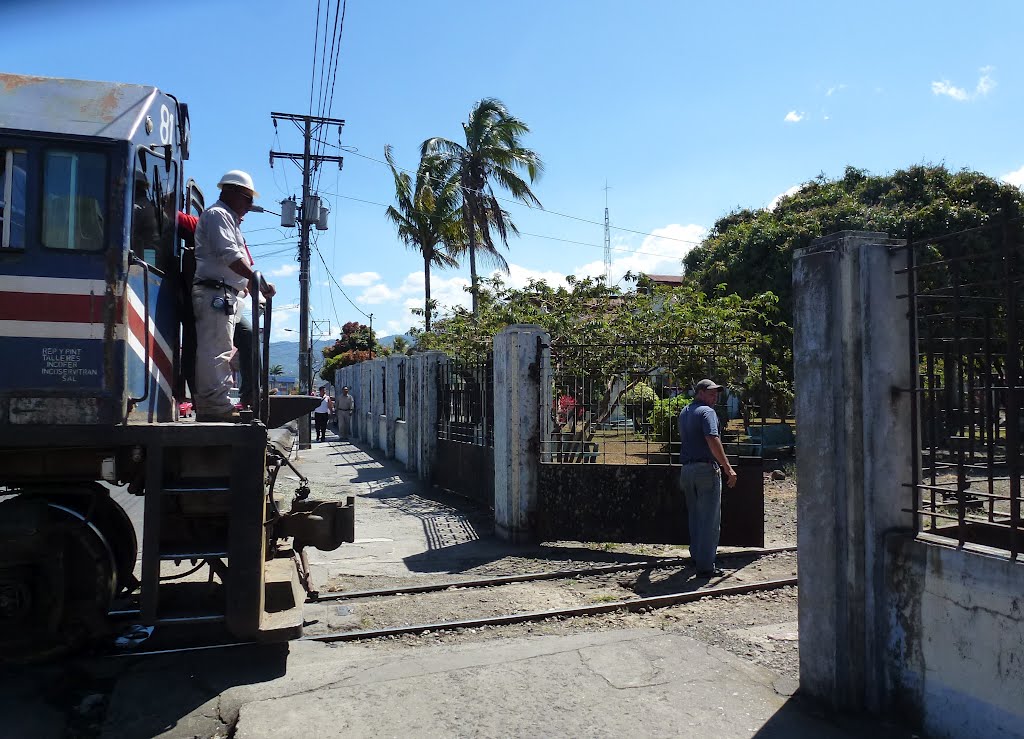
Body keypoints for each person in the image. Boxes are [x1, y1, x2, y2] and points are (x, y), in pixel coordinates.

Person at [191, 170, 275, 422]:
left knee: (248, 339)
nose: (250, 207)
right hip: (215, 292)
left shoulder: (230, 220)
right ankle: (214, 408)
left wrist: (250, 287)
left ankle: (250, 395)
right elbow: (230, 257)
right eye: (248, 200)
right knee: (216, 350)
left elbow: (236, 263)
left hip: (229, 296)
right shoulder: (218, 215)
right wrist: (256, 282)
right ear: (231, 192)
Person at [677, 378, 738, 578]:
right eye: (711, 392)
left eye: (716, 393)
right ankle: (705, 565)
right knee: (709, 519)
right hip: (705, 470)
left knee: (694, 516)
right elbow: (712, 438)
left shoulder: (685, 412)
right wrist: (728, 468)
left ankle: (696, 555)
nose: (715, 396)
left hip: (687, 471)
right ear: (700, 393)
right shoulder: (707, 412)